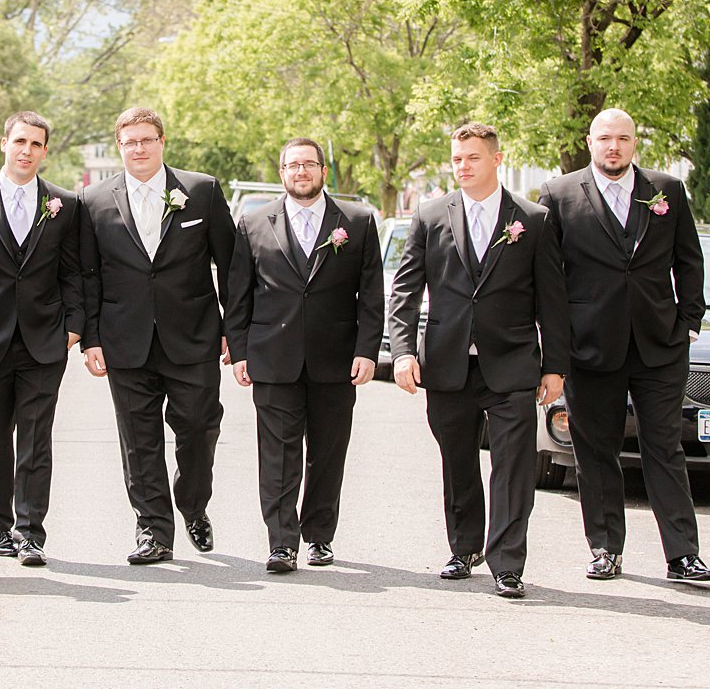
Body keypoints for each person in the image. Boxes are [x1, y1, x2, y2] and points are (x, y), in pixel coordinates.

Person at [387, 123, 569, 598]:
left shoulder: (533, 219)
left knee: (512, 466)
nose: (463, 166)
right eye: (457, 159)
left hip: (511, 363)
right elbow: (405, 291)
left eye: (471, 157)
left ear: (496, 159)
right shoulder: (430, 216)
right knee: (458, 463)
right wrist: (403, 352)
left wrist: (554, 365)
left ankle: (507, 562)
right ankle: (465, 547)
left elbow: (552, 298)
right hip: (447, 363)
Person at [537, 108, 710, 583]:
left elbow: (688, 258)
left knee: (664, 448)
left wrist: (689, 322)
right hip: (590, 346)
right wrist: (556, 348)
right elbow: (549, 279)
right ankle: (605, 549)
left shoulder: (667, 191)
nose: (613, 147)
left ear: (635, 142)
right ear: (590, 141)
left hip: (660, 345)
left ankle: (683, 554)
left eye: (623, 138)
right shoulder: (558, 194)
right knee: (596, 452)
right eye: (605, 139)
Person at [78, 107, 236, 564]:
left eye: (147, 140)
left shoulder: (201, 191)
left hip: (194, 335)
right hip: (124, 339)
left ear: (162, 141)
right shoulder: (93, 202)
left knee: (200, 426)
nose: (139, 149)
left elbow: (230, 265)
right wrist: (91, 338)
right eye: (130, 142)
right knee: (138, 439)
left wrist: (232, 330)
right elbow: (89, 275)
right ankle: (153, 530)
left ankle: (193, 502)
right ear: (120, 146)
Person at [223, 138, 382, 573]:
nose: (301, 172)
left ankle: (320, 537)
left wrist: (368, 349)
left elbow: (370, 294)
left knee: (328, 454)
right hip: (272, 357)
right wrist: (238, 350)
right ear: (282, 173)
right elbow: (238, 295)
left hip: (336, 359)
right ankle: (281, 542)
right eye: (293, 165)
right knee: (277, 454)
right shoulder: (253, 223)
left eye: (309, 164)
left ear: (323, 171)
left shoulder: (357, 221)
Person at [0, 112, 82, 566]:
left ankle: (30, 531)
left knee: (35, 437)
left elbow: (74, 271)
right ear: (3, 143)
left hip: (44, 341)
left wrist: (74, 326)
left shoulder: (65, 204)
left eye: (36, 144)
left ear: (46, 151)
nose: (27, 150)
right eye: (20, 141)